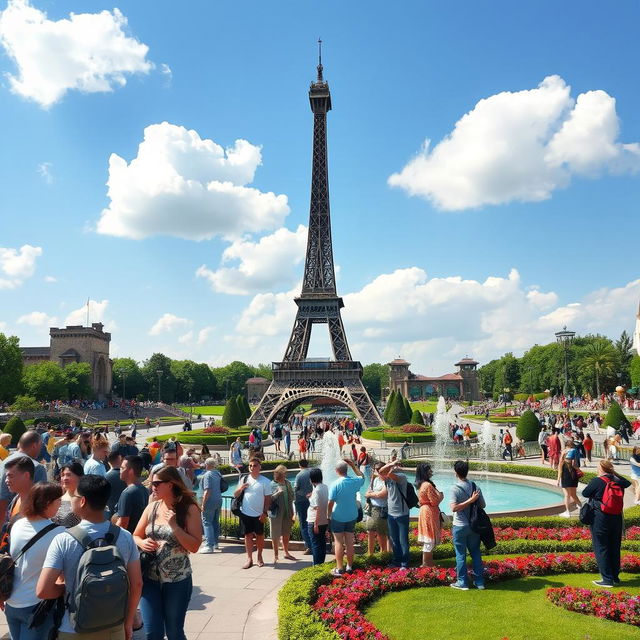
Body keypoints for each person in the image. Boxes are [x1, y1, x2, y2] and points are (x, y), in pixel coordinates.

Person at [37, 475, 143, 640]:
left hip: (74, 628)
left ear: (83, 501)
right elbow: (137, 584)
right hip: (114, 626)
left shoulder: (63, 539)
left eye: (74, 496)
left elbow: (42, 590)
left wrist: (69, 589)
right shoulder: (125, 537)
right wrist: (128, 622)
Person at [133, 467, 202, 640]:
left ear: (170, 484)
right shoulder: (152, 507)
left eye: (156, 483)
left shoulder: (188, 508)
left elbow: (194, 546)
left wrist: (175, 527)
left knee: (174, 632)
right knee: (152, 633)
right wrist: (142, 542)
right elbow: (135, 535)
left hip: (177, 580)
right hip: (150, 579)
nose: (152, 487)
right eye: (151, 483)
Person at [4, 483, 64, 640]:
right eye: (58, 500)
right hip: (36, 607)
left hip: (11, 601)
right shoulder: (58, 533)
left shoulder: (16, 524)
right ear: (47, 503)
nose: (60, 504)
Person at [582, 460, 631, 587]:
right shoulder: (618, 481)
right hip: (616, 517)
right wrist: (614, 474)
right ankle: (615, 577)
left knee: (601, 547)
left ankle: (607, 579)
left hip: (600, 518)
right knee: (614, 547)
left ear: (601, 469)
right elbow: (628, 483)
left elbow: (585, 493)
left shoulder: (597, 481)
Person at [450, 460, 485, 590]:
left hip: (460, 525)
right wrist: (472, 501)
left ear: (456, 473)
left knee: (460, 554)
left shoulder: (455, 488)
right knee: (475, 552)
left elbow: (454, 508)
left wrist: (469, 501)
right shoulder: (475, 486)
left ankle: (462, 582)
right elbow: (483, 505)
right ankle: (479, 582)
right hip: (473, 525)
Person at [327, 459, 364, 576]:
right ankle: (349, 566)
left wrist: (328, 515)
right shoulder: (354, 481)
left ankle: (339, 568)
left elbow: (330, 502)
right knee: (349, 542)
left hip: (338, 516)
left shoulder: (335, 484)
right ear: (346, 469)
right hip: (352, 515)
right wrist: (353, 465)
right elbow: (362, 476)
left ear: (337, 471)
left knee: (338, 542)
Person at [234, 457, 272, 569]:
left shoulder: (265, 481)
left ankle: (259, 556)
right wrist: (241, 488)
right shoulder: (244, 479)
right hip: (245, 512)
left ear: (260, 467)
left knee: (260, 535)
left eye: (255, 465)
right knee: (248, 535)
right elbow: (235, 495)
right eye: (250, 465)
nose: (252, 467)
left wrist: (265, 513)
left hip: (259, 514)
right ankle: (249, 558)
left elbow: (268, 499)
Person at [0, 431, 48, 517]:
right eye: (40, 446)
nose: (41, 449)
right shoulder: (37, 467)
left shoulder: (5, 461)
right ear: (34, 445)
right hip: (20, 518)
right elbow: (41, 501)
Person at [378, 460, 410, 570]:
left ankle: (404, 563)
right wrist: (391, 463)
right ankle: (397, 561)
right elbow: (381, 472)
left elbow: (384, 472)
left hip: (402, 513)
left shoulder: (401, 477)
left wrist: (391, 465)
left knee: (403, 540)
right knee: (394, 539)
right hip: (391, 514)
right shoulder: (387, 479)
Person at [415, 462, 443, 567]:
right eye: (429, 470)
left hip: (425, 510)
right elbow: (434, 501)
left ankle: (428, 562)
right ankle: (426, 563)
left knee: (428, 537)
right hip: (429, 512)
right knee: (429, 537)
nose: (431, 472)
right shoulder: (427, 485)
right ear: (425, 472)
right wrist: (441, 496)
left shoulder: (421, 485)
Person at [269, 464, 296, 563]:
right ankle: (276, 555)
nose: (286, 475)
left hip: (287, 511)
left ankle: (286, 552)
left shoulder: (287, 483)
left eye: (286, 473)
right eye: (284, 473)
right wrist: (277, 493)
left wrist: (293, 513)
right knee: (275, 534)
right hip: (276, 513)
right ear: (279, 474)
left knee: (286, 532)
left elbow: (291, 497)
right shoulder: (272, 484)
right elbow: (269, 499)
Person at [115, 455, 148, 533]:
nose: (120, 471)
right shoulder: (144, 490)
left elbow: (123, 523)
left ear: (131, 471)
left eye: (122, 468)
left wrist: (111, 540)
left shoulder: (128, 493)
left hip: (127, 538)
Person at [199, 457, 224, 553]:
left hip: (210, 501)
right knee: (215, 522)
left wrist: (203, 504)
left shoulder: (208, 475)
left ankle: (209, 545)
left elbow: (207, 490)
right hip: (218, 500)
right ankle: (215, 543)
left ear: (208, 465)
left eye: (205, 464)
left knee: (206, 522)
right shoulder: (217, 473)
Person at [364, 461, 389, 555]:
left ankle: (384, 554)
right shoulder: (375, 479)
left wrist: (370, 495)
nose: (377, 473)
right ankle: (370, 554)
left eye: (379, 471)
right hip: (372, 508)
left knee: (381, 533)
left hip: (381, 509)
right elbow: (367, 492)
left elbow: (382, 494)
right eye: (377, 471)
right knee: (370, 530)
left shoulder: (387, 481)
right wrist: (370, 495)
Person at [306, 467, 329, 565]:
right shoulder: (324, 487)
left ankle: (316, 565)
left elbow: (317, 508)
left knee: (315, 544)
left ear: (311, 479)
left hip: (314, 520)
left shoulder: (317, 491)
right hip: (323, 520)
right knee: (322, 543)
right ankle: (321, 563)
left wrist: (315, 524)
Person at [53, 462, 84, 528]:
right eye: (63, 475)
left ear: (80, 477)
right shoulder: (57, 497)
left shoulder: (84, 500)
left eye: (68, 475)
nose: (64, 478)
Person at [293, 459, 313, 555]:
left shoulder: (299, 475)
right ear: (307, 464)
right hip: (312, 500)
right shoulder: (313, 472)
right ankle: (314, 544)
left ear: (299, 465)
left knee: (304, 524)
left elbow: (296, 488)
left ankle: (309, 546)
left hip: (301, 501)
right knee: (312, 523)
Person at [557, 446, 582, 517]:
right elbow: (577, 468)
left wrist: (558, 480)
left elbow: (560, 471)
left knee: (567, 495)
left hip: (565, 479)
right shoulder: (574, 463)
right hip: (574, 479)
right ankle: (581, 507)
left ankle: (567, 512)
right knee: (573, 495)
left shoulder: (562, 462)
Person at [106, 451, 127, 517]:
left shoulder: (106, 476)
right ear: (120, 458)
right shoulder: (126, 476)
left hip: (110, 512)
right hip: (125, 512)